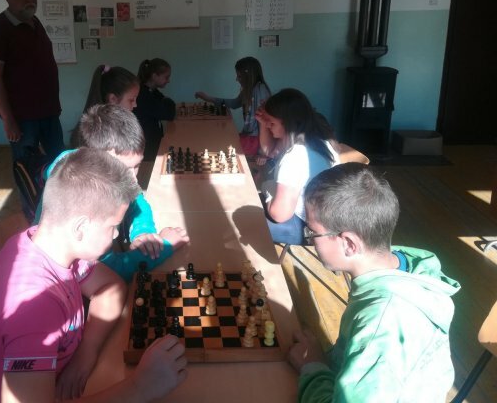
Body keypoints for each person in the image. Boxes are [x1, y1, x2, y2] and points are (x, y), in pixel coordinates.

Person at [0, 148, 187, 402]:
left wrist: (87, 351)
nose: (117, 235)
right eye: (113, 226)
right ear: (80, 227)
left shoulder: (53, 244)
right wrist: (140, 386)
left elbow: (111, 287)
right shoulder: (33, 305)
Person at [289, 162, 460, 402]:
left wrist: (314, 367)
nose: (309, 240)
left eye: (312, 233)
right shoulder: (405, 267)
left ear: (349, 244)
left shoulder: (382, 322)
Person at [36, 104, 190, 282]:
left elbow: (138, 201)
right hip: (69, 282)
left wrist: (143, 232)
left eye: (137, 166)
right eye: (124, 169)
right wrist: (166, 246)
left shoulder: (99, 170)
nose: (133, 178)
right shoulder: (86, 198)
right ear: (94, 161)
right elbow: (113, 270)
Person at [0, 0, 64, 162]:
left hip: (49, 112)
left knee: (59, 165)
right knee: (27, 167)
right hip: (23, 119)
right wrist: (8, 120)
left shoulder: (35, 22)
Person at [255, 88, 339, 245]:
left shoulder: (295, 156)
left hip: (310, 229)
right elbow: (270, 151)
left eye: (272, 123)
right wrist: (264, 123)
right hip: (329, 222)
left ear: (287, 123)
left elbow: (279, 215)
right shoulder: (320, 141)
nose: (268, 125)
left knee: (245, 219)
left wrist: (266, 186)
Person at [194, 57, 271, 157]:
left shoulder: (260, 90)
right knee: (219, 139)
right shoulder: (249, 89)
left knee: (221, 146)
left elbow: (264, 122)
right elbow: (234, 103)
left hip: (255, 141)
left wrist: (263, 151)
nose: (236, 79)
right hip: (248, 137)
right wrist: (209, 98)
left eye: (239, 76)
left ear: (248, 75)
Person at [69, 65, 139, 147]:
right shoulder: (100, 133)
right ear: (113, 99)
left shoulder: (119, 125)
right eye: (131, 100)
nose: (135, 105)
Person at [133, 58, 176, 161]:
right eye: (166, 77)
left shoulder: (152, 91)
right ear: (154, 76)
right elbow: (169, 114)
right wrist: (167, 101)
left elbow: (167, 105)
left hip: (151, 139)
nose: (168, 81)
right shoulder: (144, 95)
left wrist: (166, 102)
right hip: (146, 144)